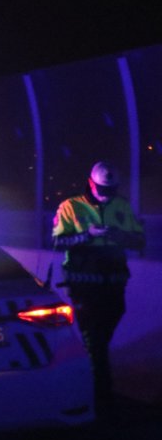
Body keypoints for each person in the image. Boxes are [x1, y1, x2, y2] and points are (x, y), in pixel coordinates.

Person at [52, 161, 145, 418]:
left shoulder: (122, 206)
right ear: (91, 183)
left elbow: (139, 240)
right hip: (83, 286)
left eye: (111, 190)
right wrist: (87, 235)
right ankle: (101, 399)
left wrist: (119, 236)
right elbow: (58, 243)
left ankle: (94, 390)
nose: (106, 194)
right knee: (95, 342)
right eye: (102, 189)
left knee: (100, 340)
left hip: (114, 284)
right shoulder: (70, 207)